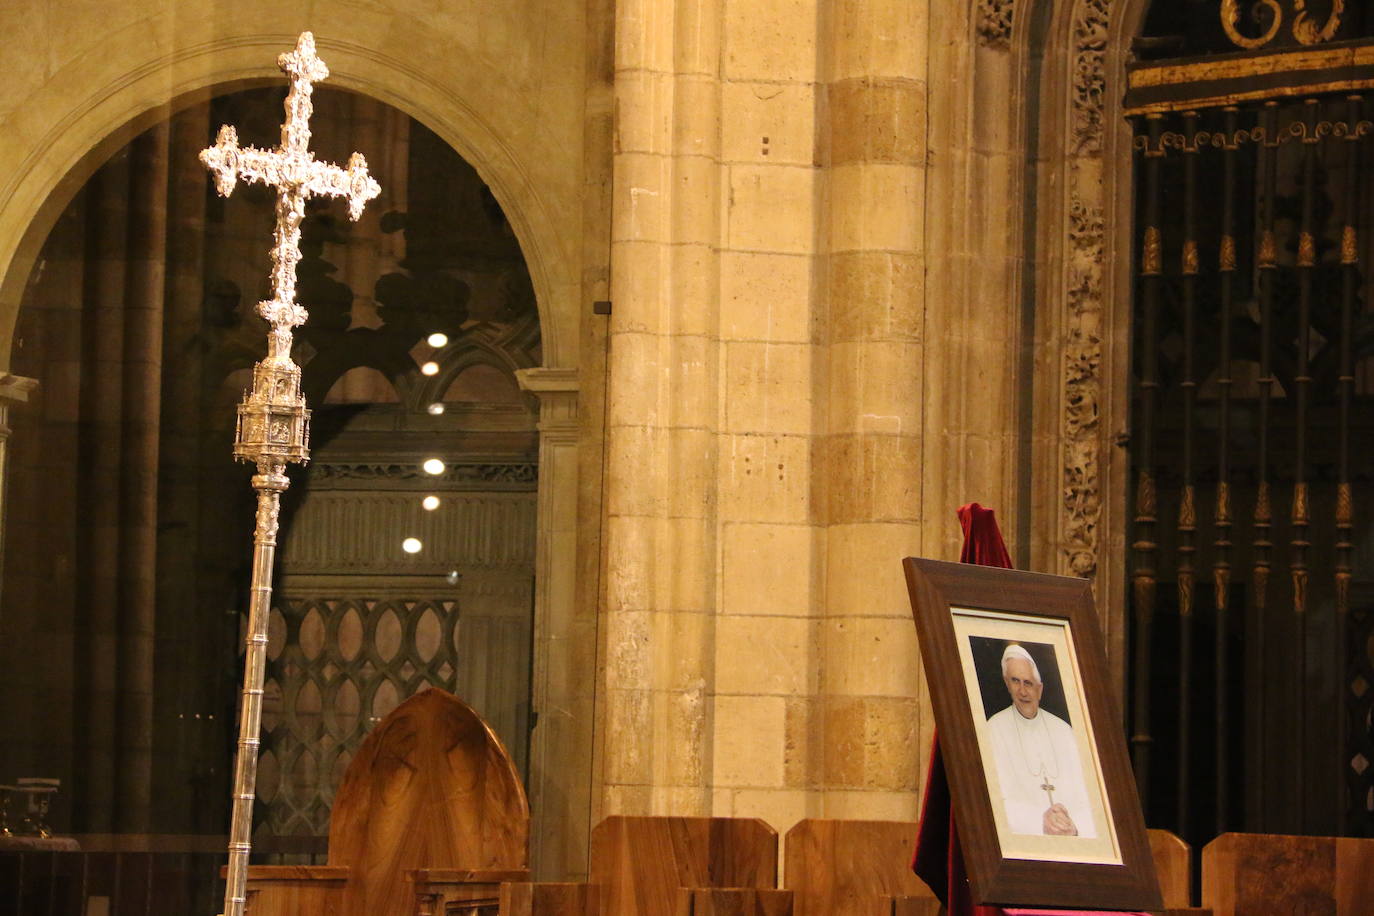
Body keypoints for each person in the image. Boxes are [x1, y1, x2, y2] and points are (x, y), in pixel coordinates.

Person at [985, 643, 1096, 838]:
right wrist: (1039, 822)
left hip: (1072, 843)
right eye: (1015, 681)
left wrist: (1074, 825)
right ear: (1007, 684)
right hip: (1024, 842)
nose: (1022, 691)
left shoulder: (1064, 731)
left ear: (1040, 688)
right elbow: (993, 801)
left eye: (1028, 683)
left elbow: (1090, 797)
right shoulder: (994, 729)